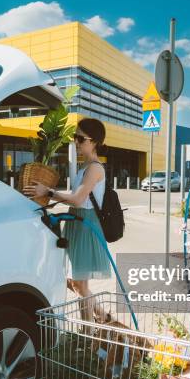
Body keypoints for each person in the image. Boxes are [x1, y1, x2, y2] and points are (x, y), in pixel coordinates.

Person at [23, 118, 111, 323]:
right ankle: (104, 318)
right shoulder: (85, 167)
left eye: (81, 139)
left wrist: (48, 192)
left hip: (85, 225)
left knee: (81, 285)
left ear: (94, 141)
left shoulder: (95, 168)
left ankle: (88, 336)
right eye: (75, 138)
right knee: (74, 283)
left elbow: (79, 199)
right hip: (76, 222)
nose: (76, 143)